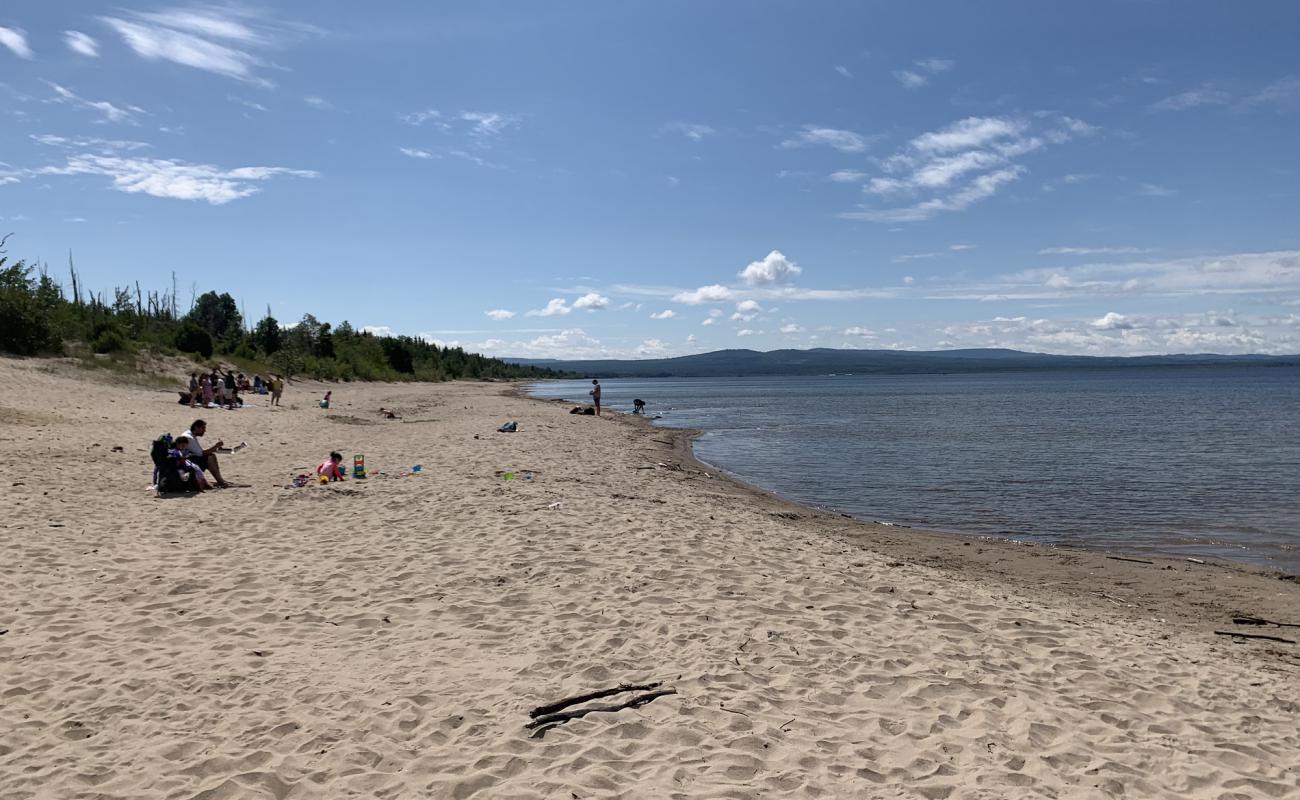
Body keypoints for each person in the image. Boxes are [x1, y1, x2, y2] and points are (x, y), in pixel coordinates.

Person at [181, 419, 231, 488]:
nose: (204, 430)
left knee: (210, 456)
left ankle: (220, 480)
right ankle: (220, 481)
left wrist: (214, 449)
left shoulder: (190, 434)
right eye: (203, 428)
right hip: (186, 462)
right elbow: (201, 454)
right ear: (196, 427)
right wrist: (215, 446)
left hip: (188, 459)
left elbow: (198, 452)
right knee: (210, 457)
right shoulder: (189, 438)